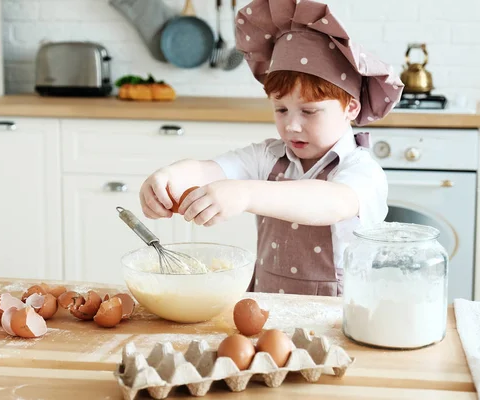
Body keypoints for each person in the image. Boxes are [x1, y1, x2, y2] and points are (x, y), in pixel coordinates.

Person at [138, 0, 404, 296]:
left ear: (350, 107)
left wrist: (245, 193)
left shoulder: (360, 169)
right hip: (269, 304)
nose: (291, 125)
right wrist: (168, 177)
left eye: (309, 111)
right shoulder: (268, 156)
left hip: (338, 319)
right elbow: (208, 170)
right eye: (281, 109)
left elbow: (331, 202)